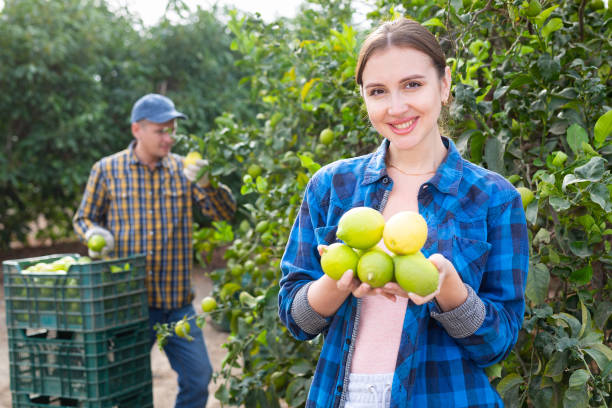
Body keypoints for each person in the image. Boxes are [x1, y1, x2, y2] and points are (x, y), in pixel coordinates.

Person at [278, 18, 529, 408]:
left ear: (444, 85)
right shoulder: (332, 187)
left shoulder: (494, 198)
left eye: (413, 84)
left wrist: (449, 292)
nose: (396, 107)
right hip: (344, 396)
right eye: (378, 91)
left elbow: (497, 345)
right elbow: (297, 320)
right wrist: (336, 282)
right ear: (363, 97)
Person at [74, 93, 236, 408]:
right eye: (161, 131)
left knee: (198, 378)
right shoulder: (107, 170)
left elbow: (223, 213)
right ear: (137, 130)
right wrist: (93, 232)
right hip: (129, 303)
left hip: (177, 304)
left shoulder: (183, 170)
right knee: (129, 387)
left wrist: (207, 184)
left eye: (171, 130)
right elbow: (83, 217)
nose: (169, 138)